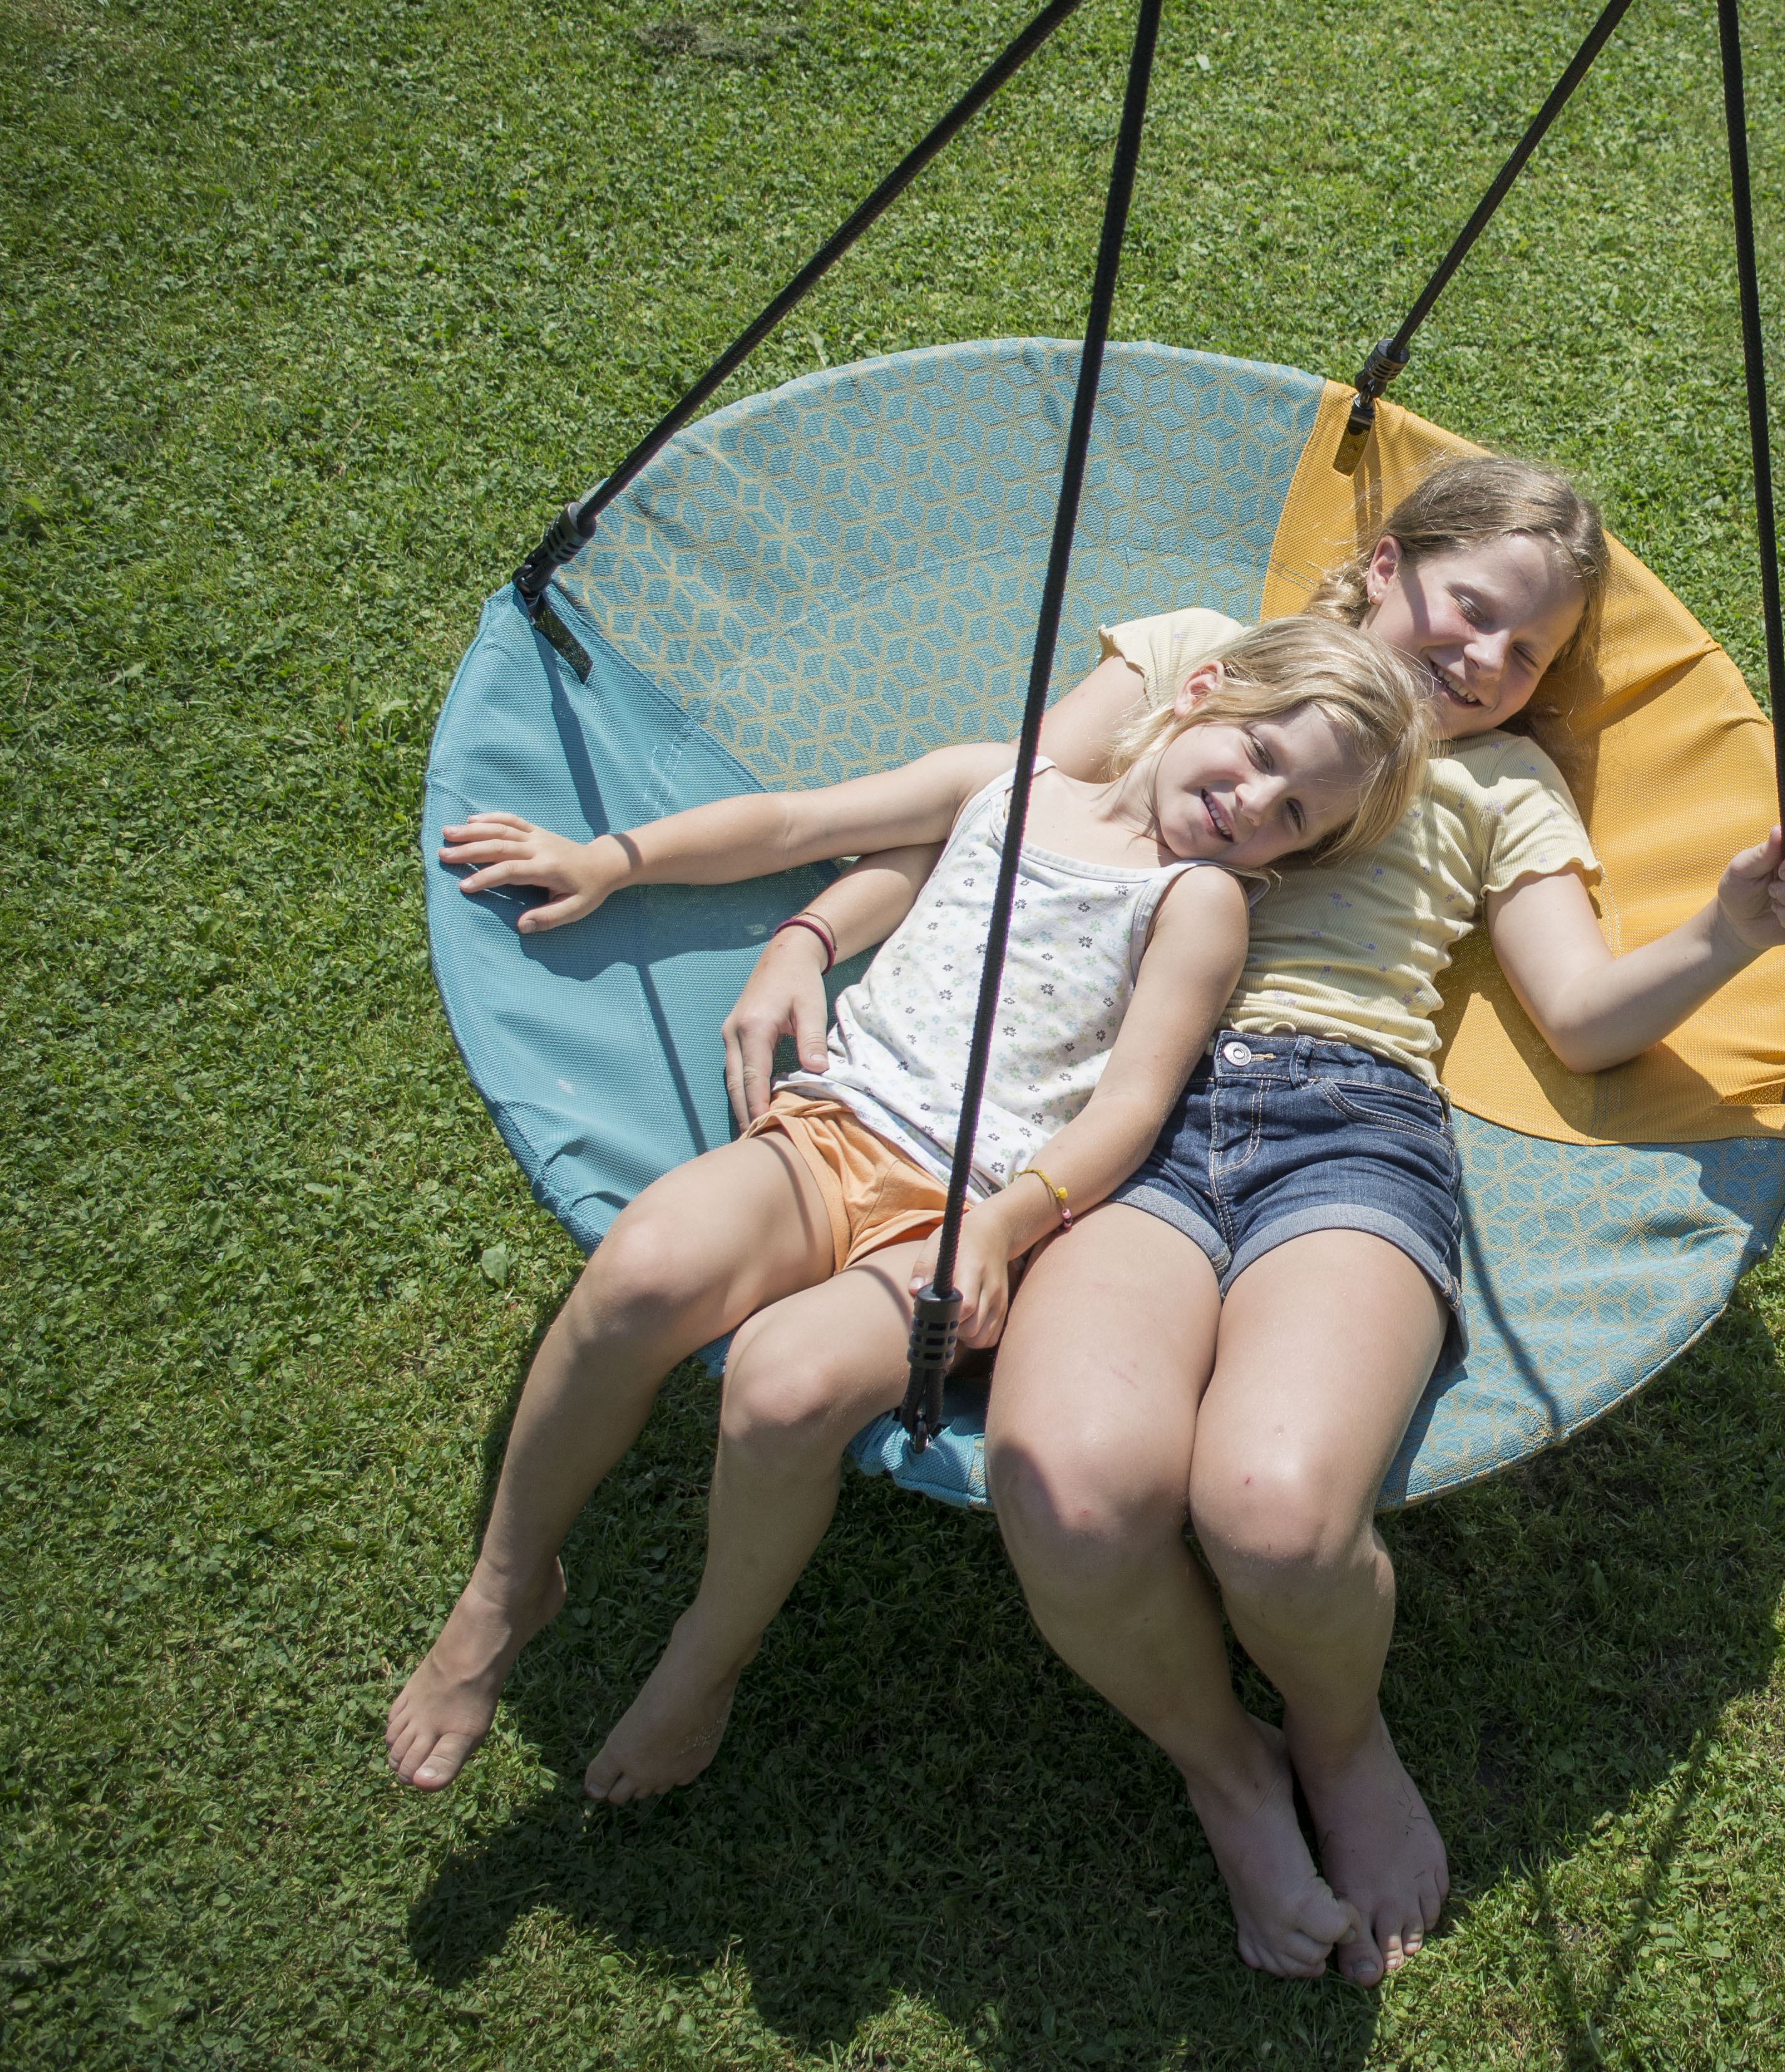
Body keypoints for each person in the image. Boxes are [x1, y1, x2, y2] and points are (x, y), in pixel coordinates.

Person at [717, 455, 1785, 1982]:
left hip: (1346, 1121)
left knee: (1274, 1511)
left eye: (1531, 654)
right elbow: (1000, 829)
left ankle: (1341, 1730)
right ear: (1382, 565)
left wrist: (1728, 928)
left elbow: (1578, 1016)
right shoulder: (1203, 662)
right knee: (1070, 1483)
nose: (1492, 663)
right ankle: (1227, 1765)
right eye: (1473, 609)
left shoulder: (1503, 784)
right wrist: (809, 929)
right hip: (1122, 1123)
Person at [382, 618, 1429, 1805]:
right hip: (830, 1135)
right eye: (1259, 756)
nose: (1255, 803)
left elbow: (1130, 1111)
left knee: (783, 1388)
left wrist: (1001, 1229)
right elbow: (799, 823)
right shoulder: (1003, 782)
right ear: (1202, 691)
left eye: (1296, 814)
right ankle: (509, 1585)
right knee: (642, 1269)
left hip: (963, 1213)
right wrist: (617, 860)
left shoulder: (1197, 905)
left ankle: (705, 1655)